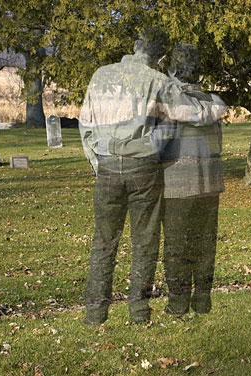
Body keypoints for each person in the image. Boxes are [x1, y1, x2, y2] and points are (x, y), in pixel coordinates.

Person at [79, 29, 227, 325]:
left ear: (135, 46)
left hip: (107, 164)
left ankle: (95, 314)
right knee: (144, 242)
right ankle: (138, 312)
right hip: (143, 166)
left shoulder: (101, 74)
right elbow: (194, 114)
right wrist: (218, 107)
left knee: (104, 241)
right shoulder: (157, 81)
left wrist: (99, 162)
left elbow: (85, 125)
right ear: (159, 57)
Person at [158, 43, 227, 315]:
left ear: (174, 68)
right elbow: (217, 144)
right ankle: (202, 301)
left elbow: (156, 144)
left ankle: (177, 304)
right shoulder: (211, 101)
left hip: (176, 184)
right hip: (210, 183)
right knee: (204, 243)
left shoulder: (166, 101)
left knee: (176, 246)